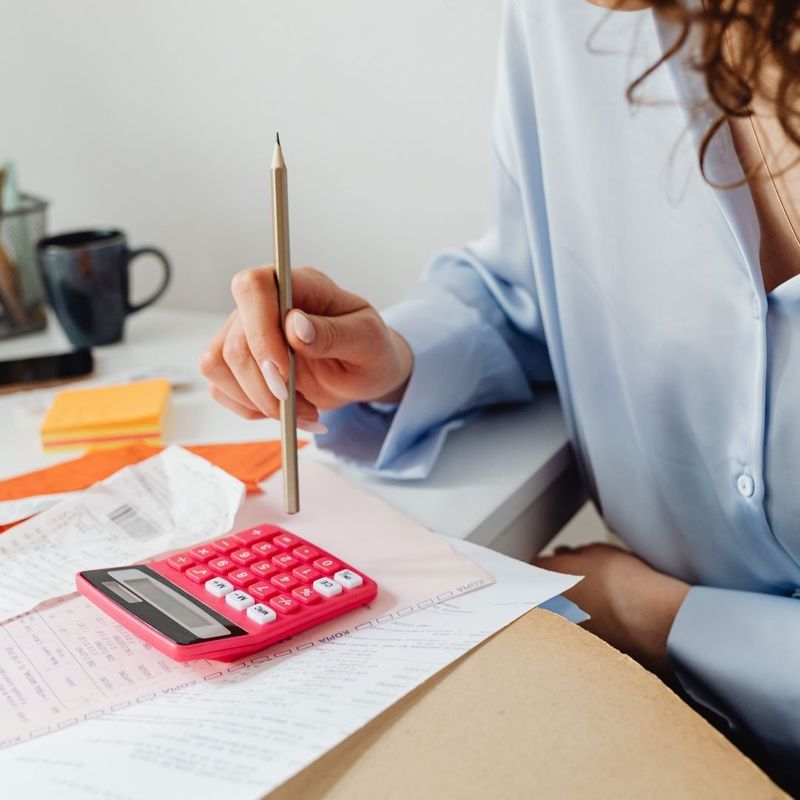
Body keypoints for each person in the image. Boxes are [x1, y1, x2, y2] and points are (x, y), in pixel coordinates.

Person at [200, 0, 800, 789]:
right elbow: (537, 285)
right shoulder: (569, 20)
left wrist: (666, 617)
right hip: (666, 710)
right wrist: (394, 357)